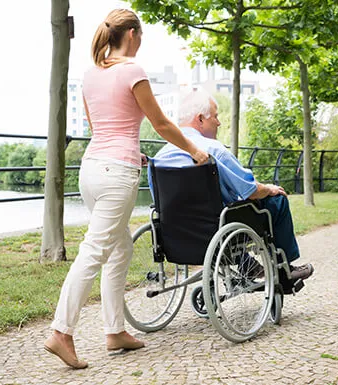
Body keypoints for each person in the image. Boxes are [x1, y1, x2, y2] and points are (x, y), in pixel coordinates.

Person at [44, 9, 209, 369]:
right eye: (142, 35)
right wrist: (195, 150)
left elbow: (100, 125)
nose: (141, 41)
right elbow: (162, 123)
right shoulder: (132, 71)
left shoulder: (89, 75)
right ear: (132, 34)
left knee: (119, 249)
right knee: (95, 250)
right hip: (117, 173)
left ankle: (115, 330)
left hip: (90, 170)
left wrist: (135, 152)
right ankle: (61, 331)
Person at [149, 89, 314, 281]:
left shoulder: (159, 157)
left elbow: (159, 201)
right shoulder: (212, 150)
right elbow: (250, 190)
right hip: (219, 228)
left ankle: (247, 265)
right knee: (277, 201)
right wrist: (269, 188)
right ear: (200, 119)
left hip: (178, 233)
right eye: (216, 116)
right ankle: (284, 268)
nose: (218, 122)